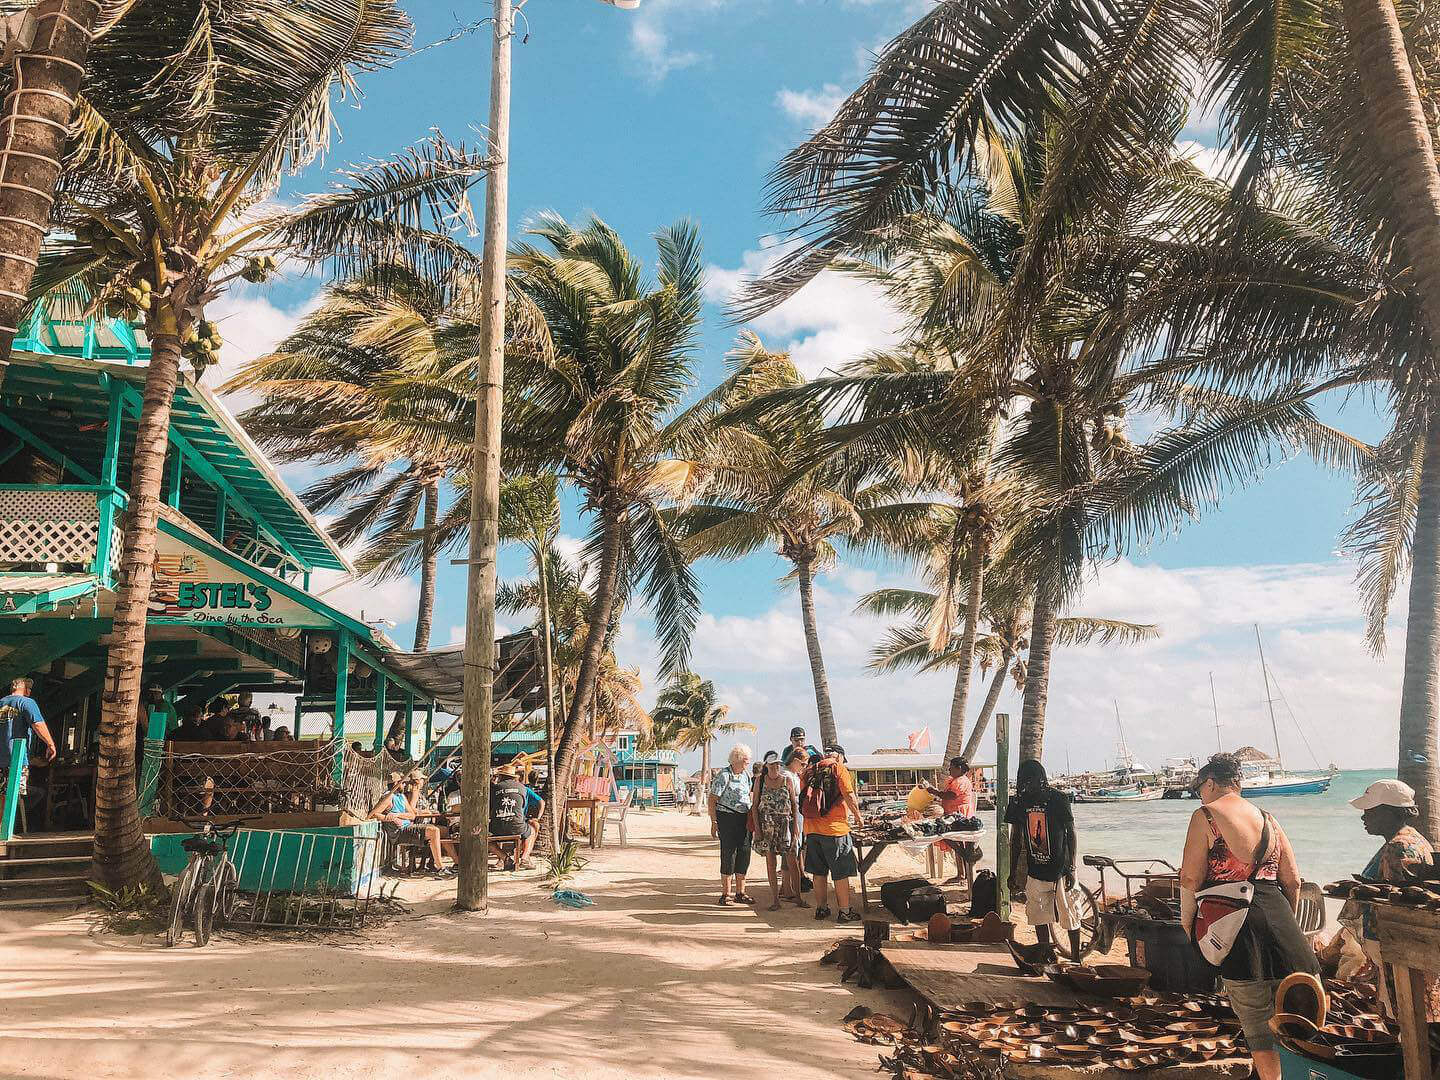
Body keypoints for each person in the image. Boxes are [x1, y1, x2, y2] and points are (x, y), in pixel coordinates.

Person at [1179, 753, 1317, 1080]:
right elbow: (1292, 880)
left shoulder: (1206, 817)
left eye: (1201, 787)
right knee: (1296, 1021)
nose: (1200, 794)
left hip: (1238, 930)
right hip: (1284, 926)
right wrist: (1286, 922)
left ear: (1211, 783)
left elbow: (1189, 879)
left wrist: (1188, 924)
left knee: (1258, 1025)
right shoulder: (1269, 819)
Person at [1345, 778, 1440, 1022]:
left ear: (1389, 813)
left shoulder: (1399, 847)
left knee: (1402, 1013)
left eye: (1370, 811)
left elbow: (1396, 904)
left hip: (1395, 944)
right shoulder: (1414, 838)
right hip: (1405, 945)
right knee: (1419, 1009)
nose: (1364, 817)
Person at [1006, 760, 1081, 958]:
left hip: (1060, 868)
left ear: (1041, 780)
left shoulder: (1058, 799)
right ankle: (1046, 953)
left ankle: (1076, 957)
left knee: (1070, 913)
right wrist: (1012, 872)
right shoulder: (1019, 803)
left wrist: (1072, 867)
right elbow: (1015, 840)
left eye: (1029, 782)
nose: (1025, 787)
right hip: (1036, 870)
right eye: (1022, 782)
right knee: (1039, 915)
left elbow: (1071, 833)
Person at [800, 744, 863, 924]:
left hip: (811, 829)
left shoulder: (809, 770)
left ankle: (821, 908)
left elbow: (803, 798)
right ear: (840, 756)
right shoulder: (838, 768)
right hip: (835, 829)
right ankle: (844, 911)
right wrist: (858, 817)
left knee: (819, 872)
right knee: (840, 873)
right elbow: (849, 795)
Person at [369, 773, 449, 875]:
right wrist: (387, 818)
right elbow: (373, 814)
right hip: (399, 831)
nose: (405, 785)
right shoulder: (388, 797)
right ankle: (440, 868)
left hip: (407, 826)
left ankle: (437, 866)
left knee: (434, 830)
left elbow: (412, 815)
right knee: (434, 831)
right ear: (396, 784)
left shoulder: (401, 796)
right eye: (403, 783)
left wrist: (398, 815)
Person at [751, 750, 801, 910]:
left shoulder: (787, 780)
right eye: (772, 765)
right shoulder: (760, 781)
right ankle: (775, 899)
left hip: (785, 824)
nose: (775, 768)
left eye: (778, 765)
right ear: (767, 766)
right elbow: (755, 806)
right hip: (767, 826)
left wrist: (796, 828)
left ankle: (798, 897)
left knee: (792, 861)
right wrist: (757, 830)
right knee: (770, 862)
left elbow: (794, 804)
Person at [709, 743, 755, 905]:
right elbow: (712, 799)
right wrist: (714, 822)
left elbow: (749, 794)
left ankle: (740, 892)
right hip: (727, 817)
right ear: (737, 759)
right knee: (729, 854)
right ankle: (725, 894)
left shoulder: (745, 775)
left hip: (744, 818)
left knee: (744, 853)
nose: (747, 764)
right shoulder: (723, 775)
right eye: (746, 761)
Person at [0, 677, 56, 806]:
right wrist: (50, 744)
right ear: (25, 689)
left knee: (2, 799)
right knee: (13, 799)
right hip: (15, 759)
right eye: (29, 689)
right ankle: (13, 824)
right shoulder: (27, 702)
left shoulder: (1, 702)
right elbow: (38, 724)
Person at [923, 756, 979, 885]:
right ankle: (960, 873)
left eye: (951, 768)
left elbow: (950, 795)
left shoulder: (961, 781)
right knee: (957, 845)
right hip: (952, 814)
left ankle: (964, 874)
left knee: (961, 845)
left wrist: (934, 791)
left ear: (959, 769)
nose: (949, 770)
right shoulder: (955, 780)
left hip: (960, 815)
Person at [490, 765, 543, 869]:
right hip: (517, 826)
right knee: (531, 831)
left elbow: (490, 808)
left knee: (484, 837)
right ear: (515, 777)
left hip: (497, 828)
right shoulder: (523, 788)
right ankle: (524, 858)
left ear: (501, 776)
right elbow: (529, 804)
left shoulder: (494, 788)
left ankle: (505, 858)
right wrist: (538, 817)